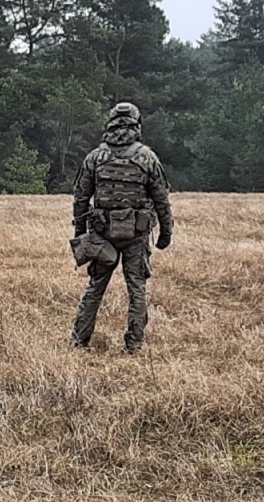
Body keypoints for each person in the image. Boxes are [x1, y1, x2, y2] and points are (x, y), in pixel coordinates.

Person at [70, 102, 174, 354]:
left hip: (101, 233)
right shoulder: (147, 157)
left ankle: (79, 341)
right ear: (136, 125)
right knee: (136, 288)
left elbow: (80, 198)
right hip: (136, 235)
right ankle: (134, 344)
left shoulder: (95, 157)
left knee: (95, 287)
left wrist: (80, 233)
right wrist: (165, 234)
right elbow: (162, 198)